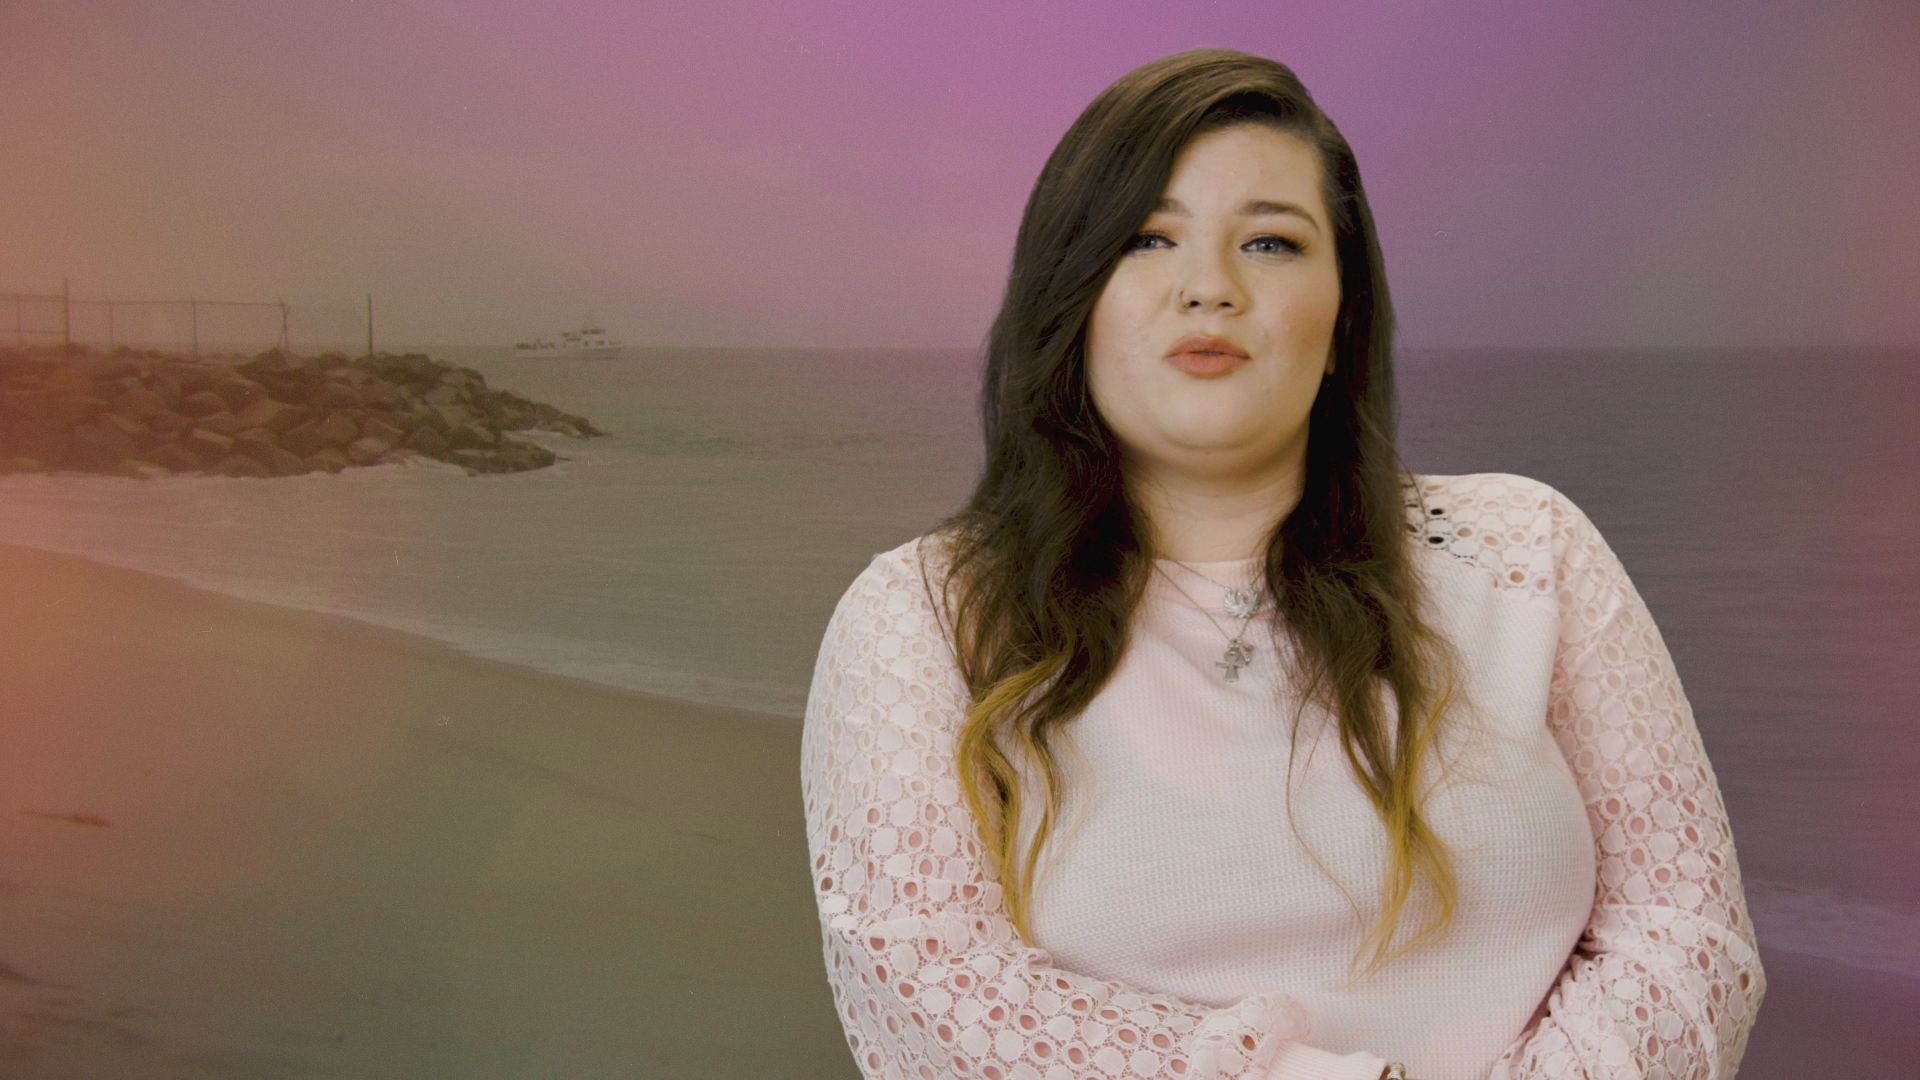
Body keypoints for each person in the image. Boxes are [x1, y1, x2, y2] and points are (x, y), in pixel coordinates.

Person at [799, 47, 1765, 1080]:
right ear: (1068, 299)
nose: (1208, 289)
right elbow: (930, 987)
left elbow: (1688, 938)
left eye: (1270, 242)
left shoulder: (1529, 553)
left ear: (1345, 313)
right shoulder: (927, 616)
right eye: (1146, 239)